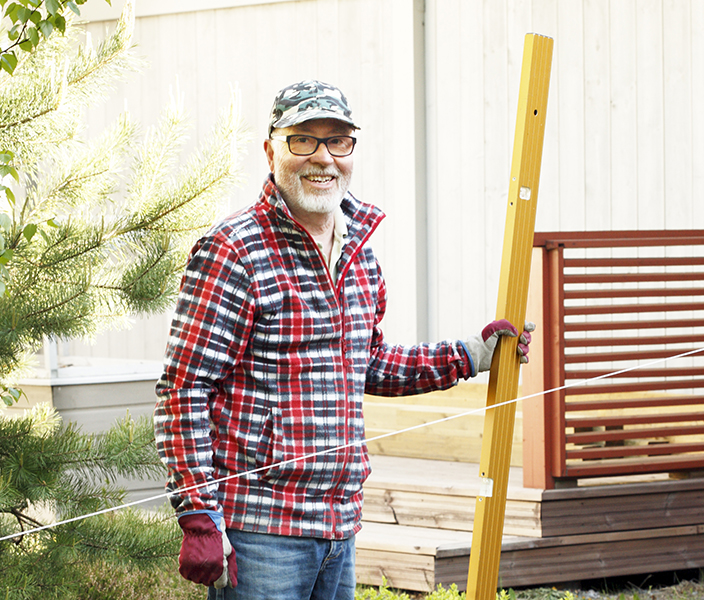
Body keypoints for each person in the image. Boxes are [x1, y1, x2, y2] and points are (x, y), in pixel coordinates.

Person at [153, 79, 534, 600]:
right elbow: (184, 389)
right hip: (262, 532)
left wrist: (469, 355)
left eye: (338, 141)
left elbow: (367, 362)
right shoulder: (233, 251)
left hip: (340, 527)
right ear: (271, 150)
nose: (323, 158)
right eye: (303, 140)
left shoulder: (359, 253)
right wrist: (198, 515)